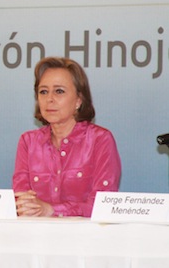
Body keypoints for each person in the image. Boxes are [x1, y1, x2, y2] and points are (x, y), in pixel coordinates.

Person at [13, 57, 121, 217]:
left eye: (59, 91)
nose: (49, 99)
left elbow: (103, 205)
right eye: (43, 92)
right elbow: (21, 200)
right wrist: (28, 207)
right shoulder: (28, 142)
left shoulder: (100, 139)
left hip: (87, 238)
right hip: (36, 237)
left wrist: (52, 210)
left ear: (79, 100)